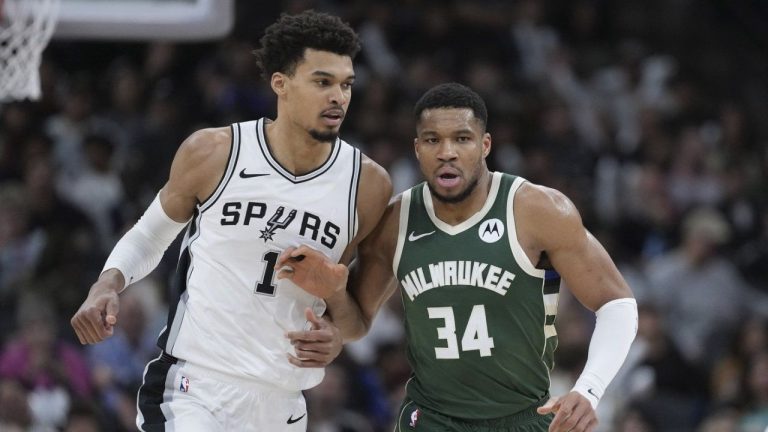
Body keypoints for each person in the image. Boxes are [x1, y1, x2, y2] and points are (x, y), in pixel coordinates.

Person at [70, 10, 391, 432]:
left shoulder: (366, 185)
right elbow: (149, 236)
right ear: (281, 83)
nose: (339, 97)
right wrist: (105, 285)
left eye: (346, 84)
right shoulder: (215, 151)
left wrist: (335, 335)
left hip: (283, 401)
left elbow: (352, 321)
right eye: (322, 82)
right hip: (194, 388)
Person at [278, 83, 638, 432]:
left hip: (524, 416)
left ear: (485, 145)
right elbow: (355, 325)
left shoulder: (537, 210)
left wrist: (589, 388)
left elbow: (617, 302)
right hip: (432, 418)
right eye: (433, 140)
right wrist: (337, 295)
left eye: (461, 139)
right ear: (417, 149)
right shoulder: (395, 221)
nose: (446, 152)